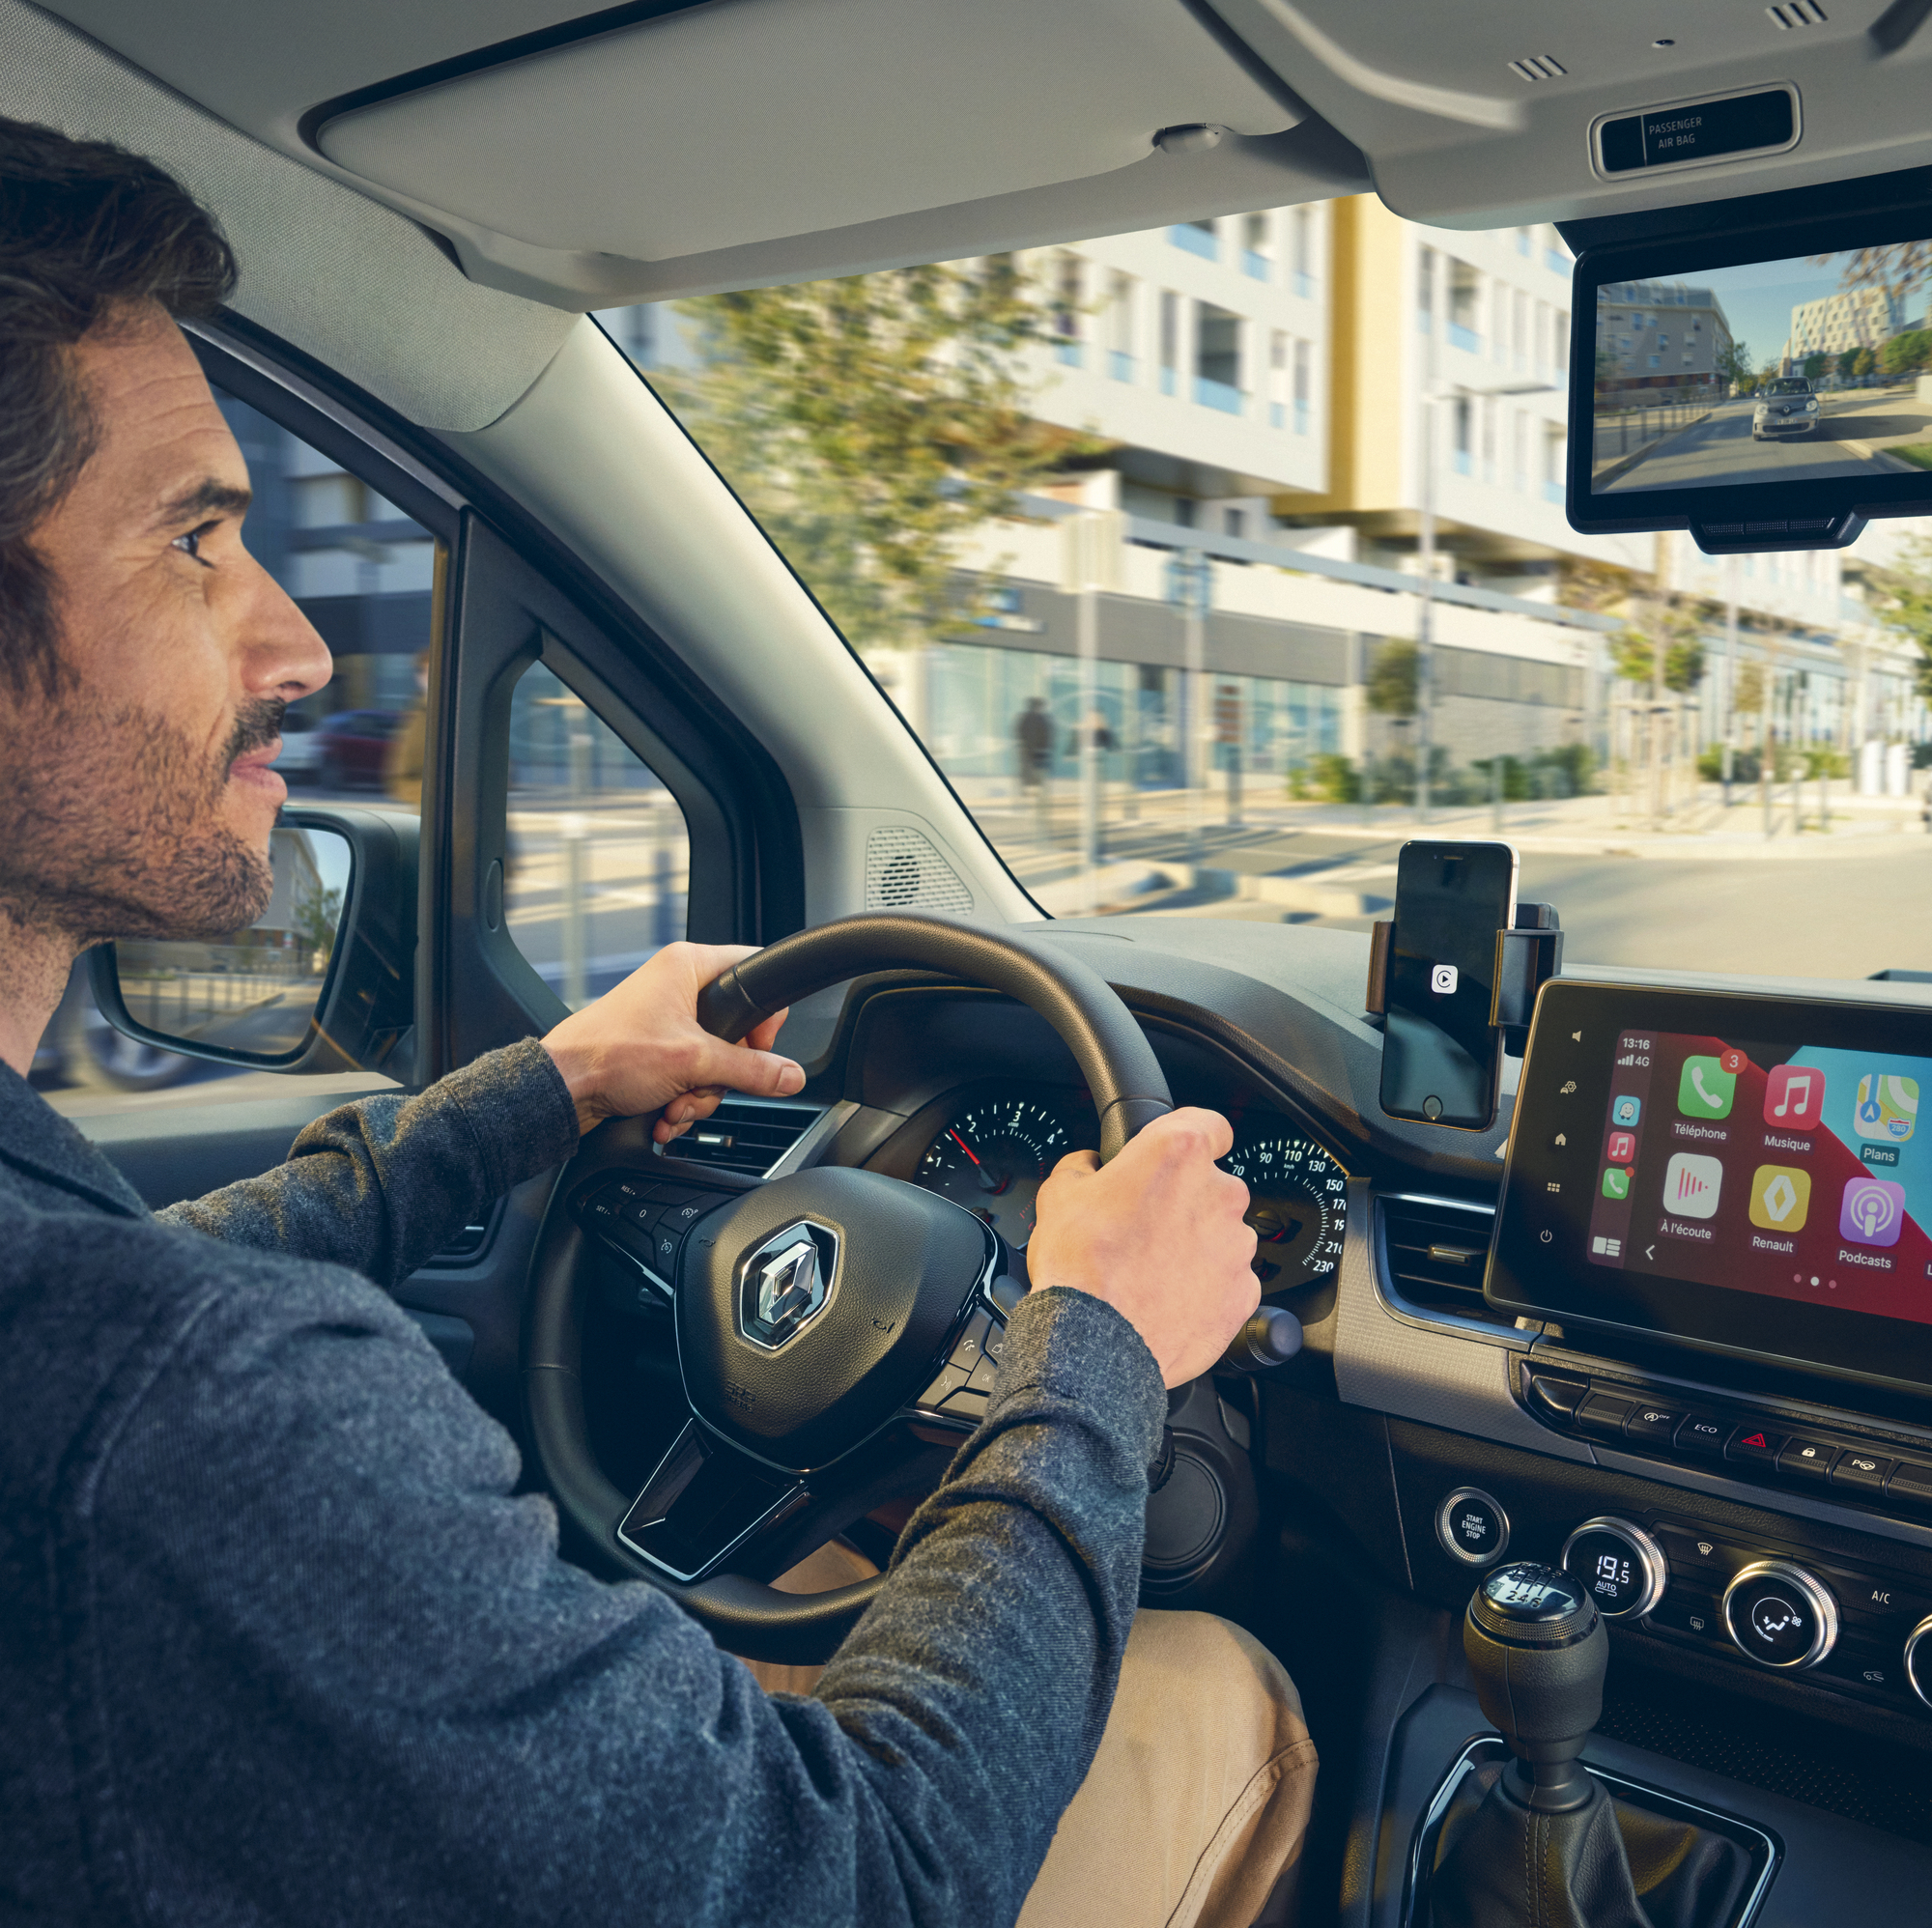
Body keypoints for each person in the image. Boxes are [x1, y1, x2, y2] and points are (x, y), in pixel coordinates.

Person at [0, 119, 1315, 1926]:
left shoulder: (97, 1340)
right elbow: (865, 1880)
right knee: (1219, 1690)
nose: (297, 647)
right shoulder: (195, 1415)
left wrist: (540, 1090)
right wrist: (1094, 1343)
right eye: (195, 542)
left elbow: (136, 1289)